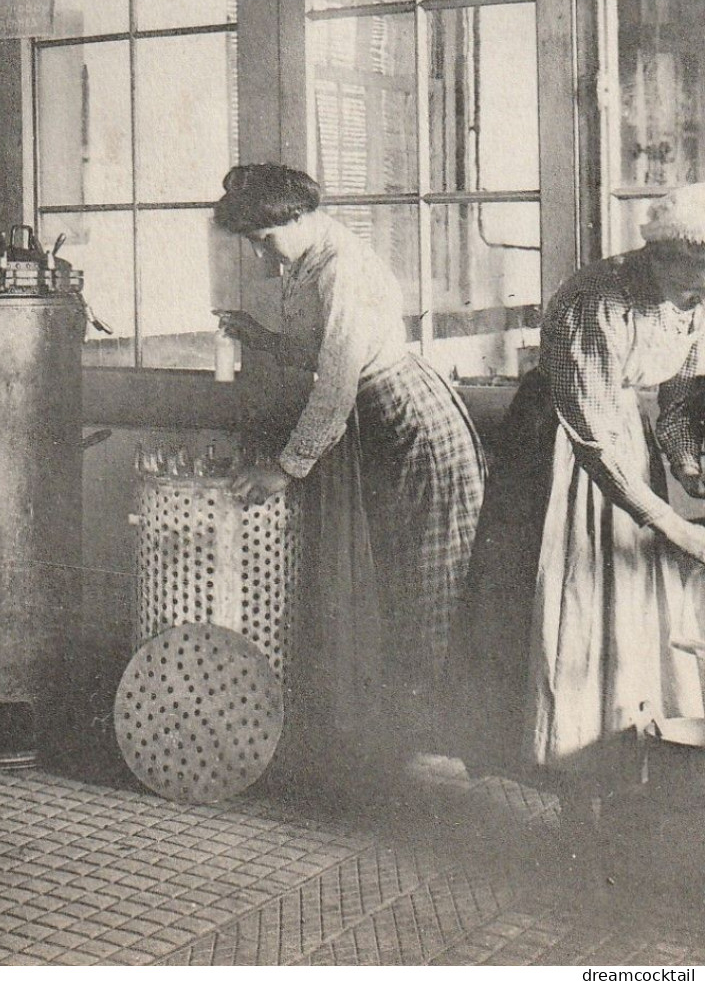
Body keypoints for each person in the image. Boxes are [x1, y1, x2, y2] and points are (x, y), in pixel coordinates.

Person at [211, 163, 486, 776]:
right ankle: (413, 744)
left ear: (300, 217)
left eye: (265, 240)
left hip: (416, 424)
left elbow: (336, 379)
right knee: (401, 580)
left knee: (430, 585)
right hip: (385, 422)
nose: (262, 254)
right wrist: (260, 336)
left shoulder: (342, 267)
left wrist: (286, 467)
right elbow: (325, 352)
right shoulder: (313, 259)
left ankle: (443, 749)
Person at [450, 183, 705, 804]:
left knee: (632, 607)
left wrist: (687, 461)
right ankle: (566, 766)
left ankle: (625, 760)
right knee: (571, 595)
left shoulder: (693, 298)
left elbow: (681, 388)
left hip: (626, 438)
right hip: (558, 449)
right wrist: (674, 525)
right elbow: (591, 438)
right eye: (695, 276)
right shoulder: (595, 299)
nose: (698, 293)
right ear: (665, 255)